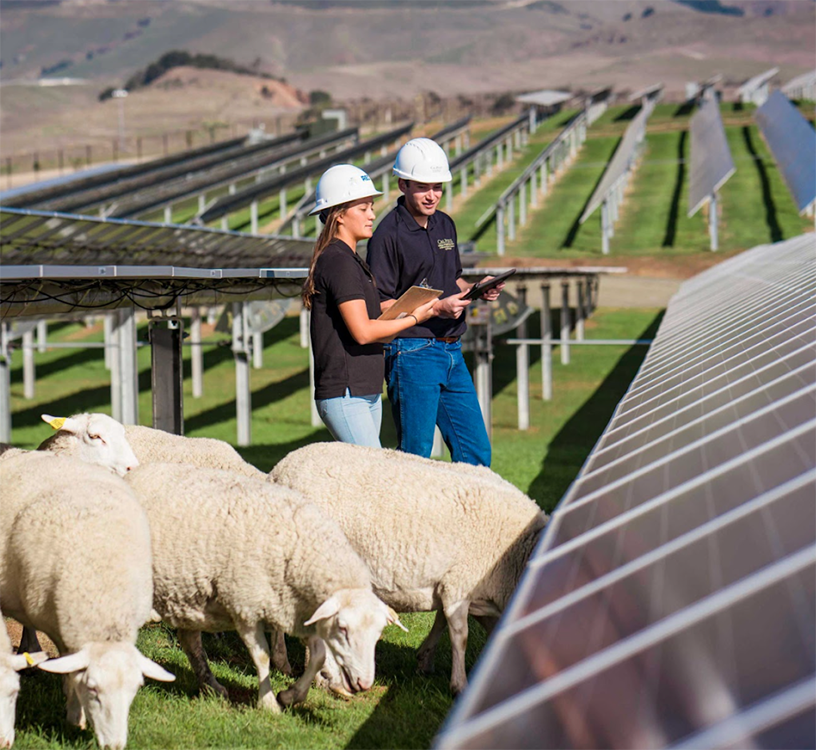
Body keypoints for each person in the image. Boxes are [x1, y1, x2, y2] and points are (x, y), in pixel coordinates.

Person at [367, 138, 504, 466]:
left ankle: (473, 517)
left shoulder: (445, 224)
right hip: (412, 353)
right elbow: (382, 307)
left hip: (452, 350)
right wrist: (434, 309)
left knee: (476, 453)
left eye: (438, 187)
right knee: (416, 457)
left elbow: (452, 280)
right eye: (422, 187)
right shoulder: (387, 235)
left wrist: (476, 288)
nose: (432, 195)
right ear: (402, 184)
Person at [303, 163, 438, 449]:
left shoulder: (351, 260)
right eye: (363, 208)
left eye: (372, 207)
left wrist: (402, 311)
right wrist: (414, 318)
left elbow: (373, 326)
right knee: (373, 478)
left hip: (364, 390)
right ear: (339, 215)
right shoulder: (339, 262)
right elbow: (363, 332)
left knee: (364, 481)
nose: (372, 215)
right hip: (346, 393)